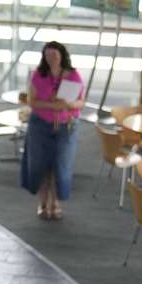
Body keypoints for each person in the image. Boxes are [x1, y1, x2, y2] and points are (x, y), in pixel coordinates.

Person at [19, 41, 84, 221]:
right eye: (48, 56)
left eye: (54, 55)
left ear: (62, 56)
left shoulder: (73, 76)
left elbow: (80, 102)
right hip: (40, 125)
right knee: (40, 165)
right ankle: (42, 202)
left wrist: (67, 105)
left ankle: (55, 203)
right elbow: (32, 101)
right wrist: (53, 105)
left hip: (65, 126)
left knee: (60, 166)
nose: (51, 59)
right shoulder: (39, 75)